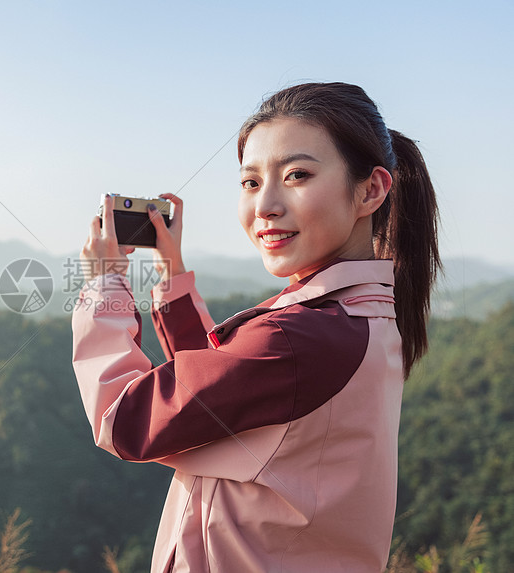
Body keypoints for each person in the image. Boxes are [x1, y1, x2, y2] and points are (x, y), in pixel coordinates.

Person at [71, 82, 440, 572]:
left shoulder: (298, 338)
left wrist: (103, 284)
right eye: (250, 182)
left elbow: (123, 419)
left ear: (371, 189)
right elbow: (222, 391)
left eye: (297, 175)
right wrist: (172, 274)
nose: (265, 204)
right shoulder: (361, 317)